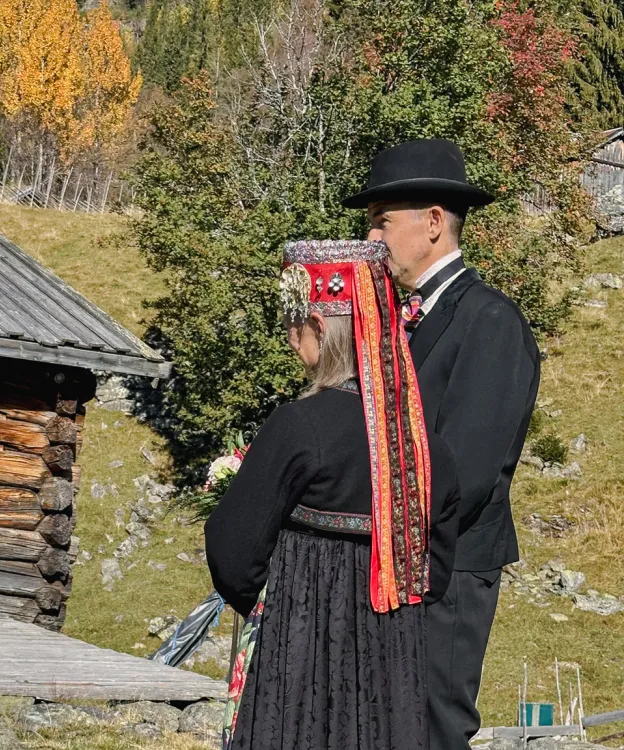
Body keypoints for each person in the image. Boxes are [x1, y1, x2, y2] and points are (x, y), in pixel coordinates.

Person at [206, 239, 461, 750]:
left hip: (299, 653)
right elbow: (433, 566)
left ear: (319, 327)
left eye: (293, 326)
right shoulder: (421, 443)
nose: (289, 340)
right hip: (392, 659)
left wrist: (283, 605)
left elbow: (232, 551)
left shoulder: (299, 426)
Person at [342, 138, 541, 750]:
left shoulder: (490, 322)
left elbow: (468, 470)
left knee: (431, 728)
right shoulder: (399, 320)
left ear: (432, 222)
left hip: (446, 571)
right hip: (394, 564)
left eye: (381, 222)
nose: (371, 238)